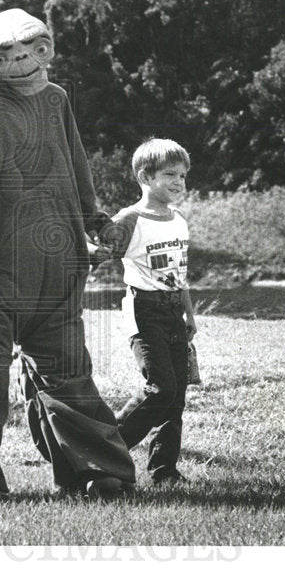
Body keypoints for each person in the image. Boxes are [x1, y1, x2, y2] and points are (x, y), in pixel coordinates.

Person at [0, 8, 136, 501]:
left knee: (69, 378)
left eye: (31, 49)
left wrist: (95, 222)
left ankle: (96, 475)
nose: (21, 60)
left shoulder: (57, 99)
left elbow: (75, 168)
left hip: (53, 269)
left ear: (46, 50)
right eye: (9, 54)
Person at [91, 138, 197, 485]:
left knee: (176, 397)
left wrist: (190, 316)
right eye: (170, 174)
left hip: (174, 314)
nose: (179, 182)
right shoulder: (131, 219)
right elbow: (104, 251)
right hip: (144, 312)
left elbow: (180, 275)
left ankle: (164, 472)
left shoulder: (179, 220)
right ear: (145, 176)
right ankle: (103, 457)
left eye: (182, 175)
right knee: (160, 388)